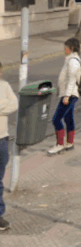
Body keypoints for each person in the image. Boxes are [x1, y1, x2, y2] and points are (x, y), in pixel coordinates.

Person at [49, 38, 81, 155]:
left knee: (56, 119)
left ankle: (59, 144)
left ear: (71, 48)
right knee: (68, 118)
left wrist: (66, 96)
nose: (64, 50)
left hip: (70, 95)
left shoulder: (73, 62)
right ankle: (70, 142)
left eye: (66, 47)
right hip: (69, 94)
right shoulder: (70, 59)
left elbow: (72, 80)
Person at [0, 61, 19, 231]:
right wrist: (4, 104)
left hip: (2, 139)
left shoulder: (4, 85)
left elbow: (14, 104)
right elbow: (9, 104)